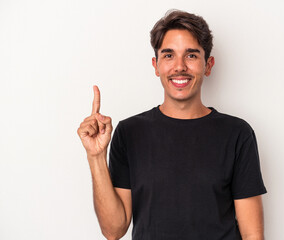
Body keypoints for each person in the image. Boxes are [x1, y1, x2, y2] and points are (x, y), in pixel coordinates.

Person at [77, 10, 267, 240]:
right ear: (156, 65)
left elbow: (252, 235)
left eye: (191, 55)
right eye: (168, 55)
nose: (179, 67)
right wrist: (96, 156)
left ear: (208, 65)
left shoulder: (237, 134)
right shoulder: (128, 133)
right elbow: (113, 230)